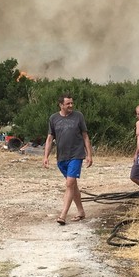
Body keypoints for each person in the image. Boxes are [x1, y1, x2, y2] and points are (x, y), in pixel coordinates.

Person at [42, 93, 93, 225]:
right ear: (61, 105)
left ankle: (63, 215)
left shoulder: (78, 116)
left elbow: (85, 136)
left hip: (76, 155)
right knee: (73, 185)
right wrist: (46, 156)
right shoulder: (53, 118)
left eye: (71, 103)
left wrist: (89, 154)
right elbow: (49, 138)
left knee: (69, 183)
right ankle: (81, 211)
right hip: (62, 157)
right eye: (68, 103)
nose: (71, 105)